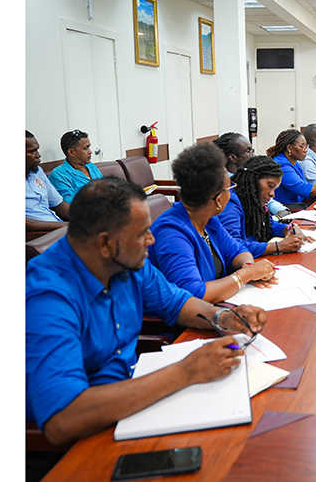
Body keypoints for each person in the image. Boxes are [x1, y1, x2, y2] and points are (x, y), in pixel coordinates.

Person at [26, 177, 267, 447]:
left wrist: (221, 318)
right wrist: (186, 372)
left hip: (132, 400)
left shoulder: (126, 261)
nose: (151, 240)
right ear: (105, 244)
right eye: (143, 233)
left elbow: (177, 303)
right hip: (85, 436)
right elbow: (63, 418)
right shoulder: (49, 297)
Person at [148, 142, 276, 303]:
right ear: (218, 199)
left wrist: (249, 266)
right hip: (185, 325)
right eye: (230, 189)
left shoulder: (209, 220)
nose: (231, 193)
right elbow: (194, 296)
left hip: (219, 307)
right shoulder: (171, 233)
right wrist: (247, 275)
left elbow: (238, 252)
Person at [219, 156, 313, 257]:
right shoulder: (231, 203)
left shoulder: (253, 200)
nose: (273, 194)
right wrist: (278, 246)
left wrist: (287, 228)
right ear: (253, 180)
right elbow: (232, 246)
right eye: (270, 186)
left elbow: (267, 225)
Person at [268, 129, 316, 206]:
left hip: (299, 203)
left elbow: (306, 184)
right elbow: (304, 189)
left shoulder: (294, 162)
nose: (306, 150)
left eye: (306, 146)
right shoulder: (282, 165)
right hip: (287, 208)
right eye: (301, 146)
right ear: (289, 148)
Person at [26, 130, 69, 232]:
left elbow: (59, 205)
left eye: (37, 150)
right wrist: (64, 227)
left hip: (57, 228)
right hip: (38, 237)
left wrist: (86, 217)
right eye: (32, 151)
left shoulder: (37, 172)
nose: (38, 155)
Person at [48, 129, 104, 202]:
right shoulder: (59, 175)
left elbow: (105, 187)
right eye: (85, 148)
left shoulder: (90, 166)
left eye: (89, 147)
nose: (90, 152)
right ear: (71, 152)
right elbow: (70, 204)